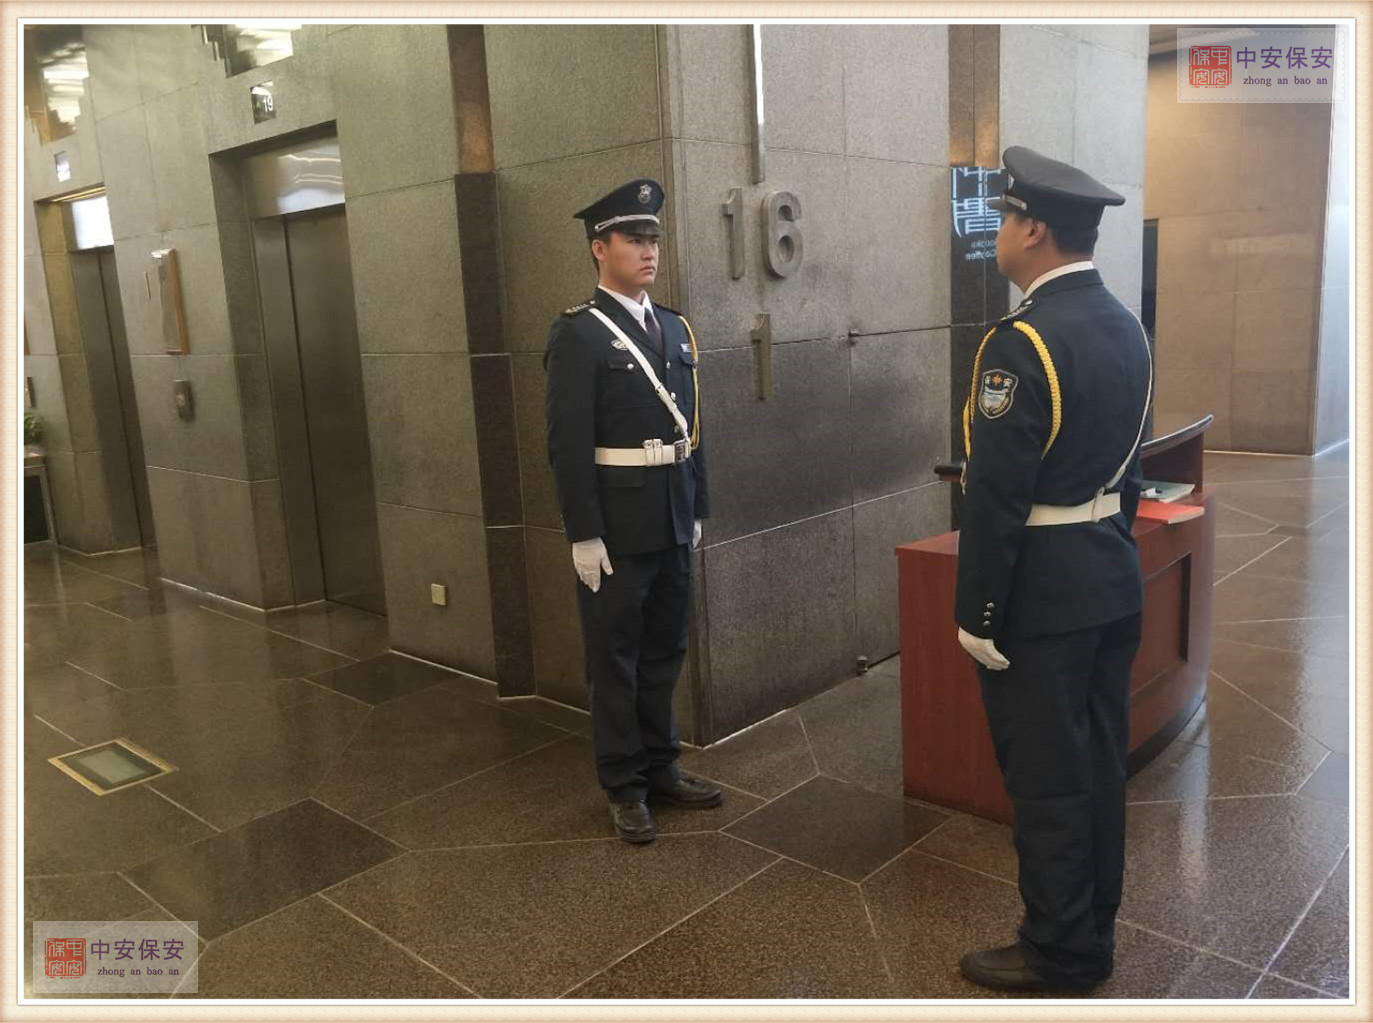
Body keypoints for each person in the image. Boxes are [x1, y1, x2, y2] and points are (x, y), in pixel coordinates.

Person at [954, 146, 1154, 991]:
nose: (999, 231)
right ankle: (1090, 928)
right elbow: (1131, 466)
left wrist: (977, 613)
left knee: (1046, 783)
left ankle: (1058, 950)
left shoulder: (1022, 341)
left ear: (1033, 229)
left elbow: (994, 496)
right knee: (1098, 767)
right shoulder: (1124, 324)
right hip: (1108, 574)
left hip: (1038, 597)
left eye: (1005, 217)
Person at [543, 178, 721, 844]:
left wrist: (695, 505)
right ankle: (624, 784)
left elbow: (692, 428)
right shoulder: (579, 334)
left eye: (653, 239)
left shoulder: (673, 326)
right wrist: (583, 533)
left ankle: (661, 767)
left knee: (663, 652)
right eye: (633, 239)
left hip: (670, 518)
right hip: (616, 531)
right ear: (599, 247)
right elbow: (566, 444)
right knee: (615, 659)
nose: (648, 251)